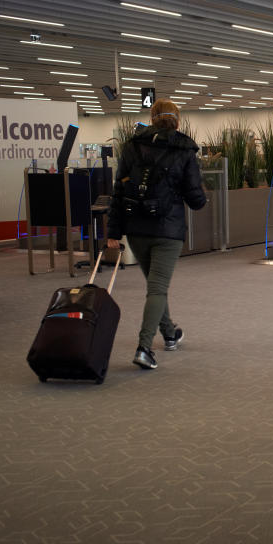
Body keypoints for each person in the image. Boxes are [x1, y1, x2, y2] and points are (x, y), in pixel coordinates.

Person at [106, 99, 206, 370]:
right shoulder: (184, 149)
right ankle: (144, 348)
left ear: (152, 119)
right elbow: (196, 198)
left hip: (136, 229)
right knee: (157, 289)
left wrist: (113, 232)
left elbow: (119, 191)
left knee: (155, 287)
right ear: (178, 120)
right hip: (167, 231)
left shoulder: (132, 146)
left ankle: (170, 334)